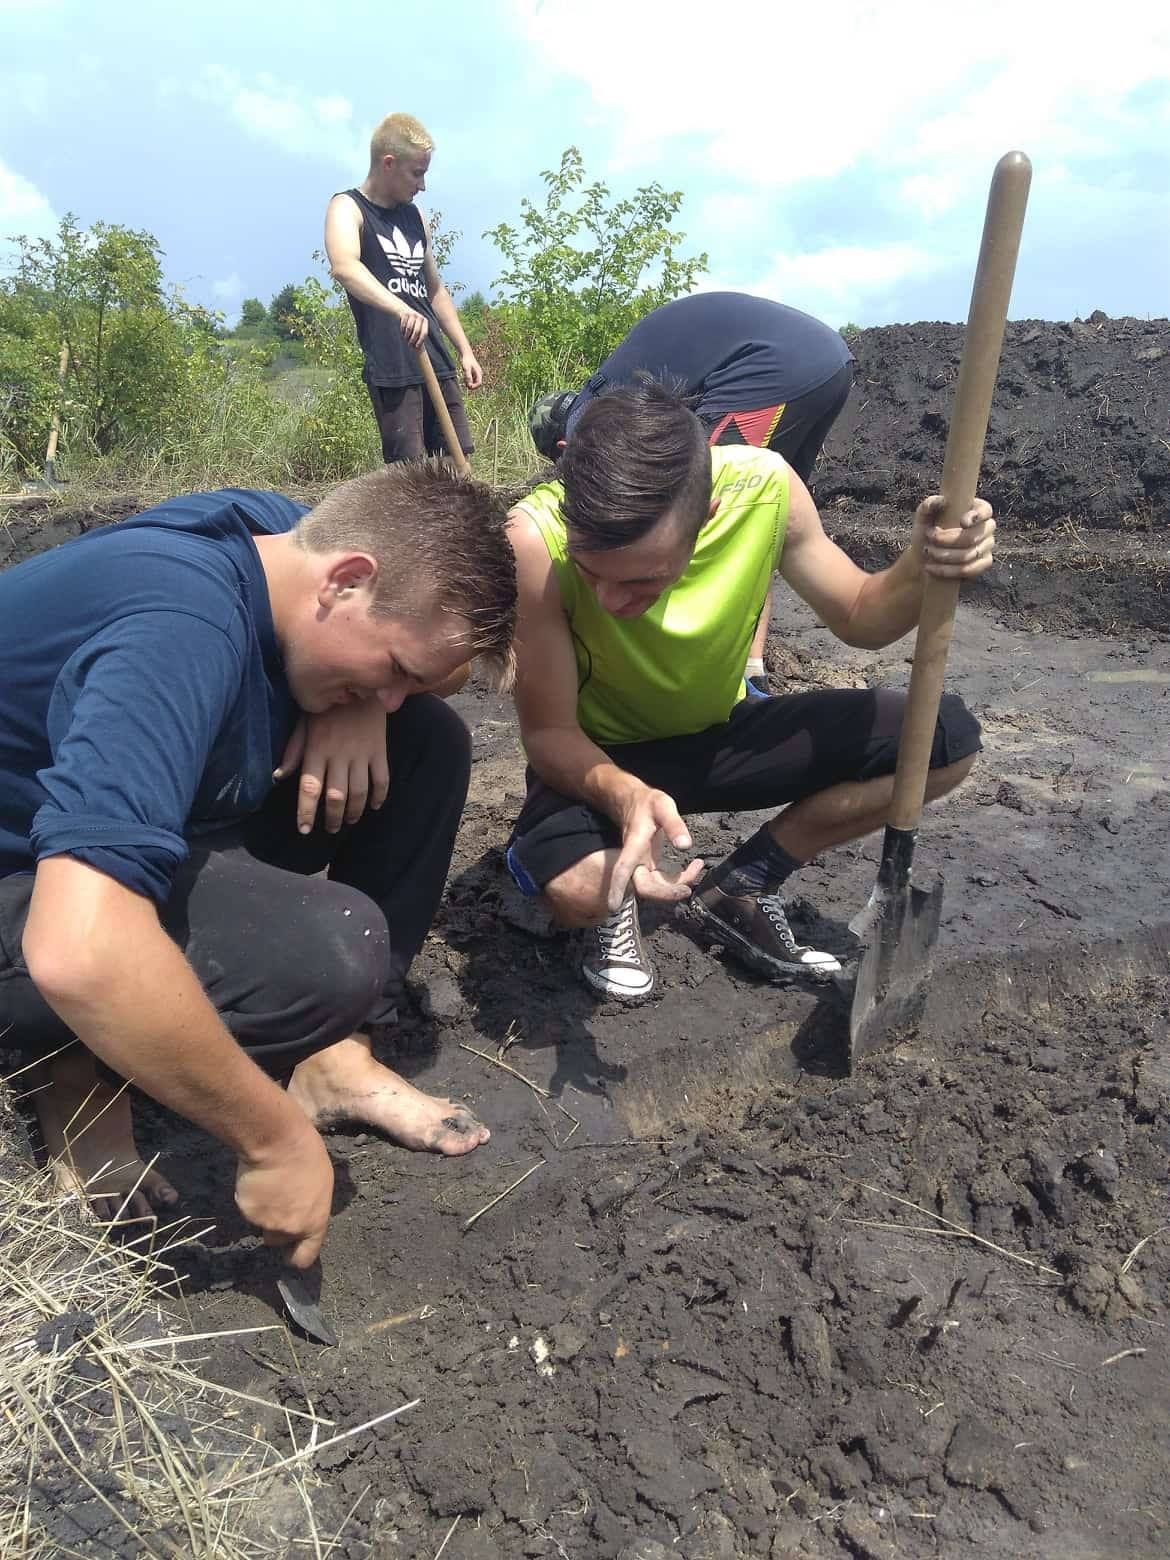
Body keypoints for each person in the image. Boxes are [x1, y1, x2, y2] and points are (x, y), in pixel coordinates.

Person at [0, 465, 516, 1268]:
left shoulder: (278, 535)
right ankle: (77, 1083)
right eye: (394, 669)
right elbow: (78, 946)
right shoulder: (180, 629)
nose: (394, 694)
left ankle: (332, 1059)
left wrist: (360, 698)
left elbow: (437, 662)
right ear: (345, 581)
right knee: (322, 955)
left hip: (76, 831)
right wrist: (273, 1143)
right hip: (36, 882)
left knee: (426, 744)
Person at [506, 383, 994, 1002]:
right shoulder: (534, 539)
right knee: (582, 891)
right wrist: (627, 797)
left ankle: (744, 883)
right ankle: (613, 893)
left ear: (707, 516)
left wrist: (923, 562)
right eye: (591, 571)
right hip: (596, 759)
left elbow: (861, 615)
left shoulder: (765, 490)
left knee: (943, 742)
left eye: (642, 580)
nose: (609, 600)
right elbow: (549, 734)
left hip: (719, 737)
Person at [528, 292, 854, 692]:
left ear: (562, 447)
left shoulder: (590, 424)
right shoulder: (613, 387)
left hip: (774, 367)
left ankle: (700, 678)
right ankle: (752, 667)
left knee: (690, 507)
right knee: (765, 513)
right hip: (828, 362)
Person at [326, 112, 482, 465]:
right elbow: (345, 267)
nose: (422, 185)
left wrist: (465, 350)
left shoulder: (415, 217)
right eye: (417, 173)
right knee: (410, 479)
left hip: (436, 360)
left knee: (456, 467)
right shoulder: (348, 208)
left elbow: (435, 290)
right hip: (393, 368)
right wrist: (401, 309)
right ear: (388, 163)